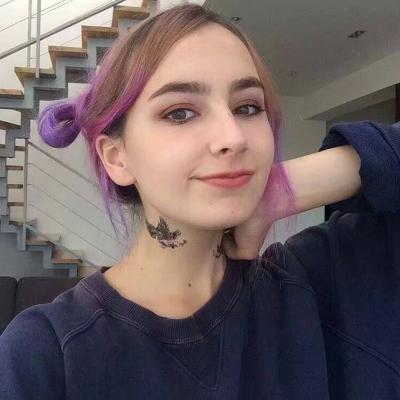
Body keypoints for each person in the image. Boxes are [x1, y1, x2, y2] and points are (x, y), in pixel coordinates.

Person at [1, 3, 399, 399]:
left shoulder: (323, 281)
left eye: (247, 107)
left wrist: (284, 188)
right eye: (180, 113)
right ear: (116, 157)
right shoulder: (46, 353)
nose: (233, 137)